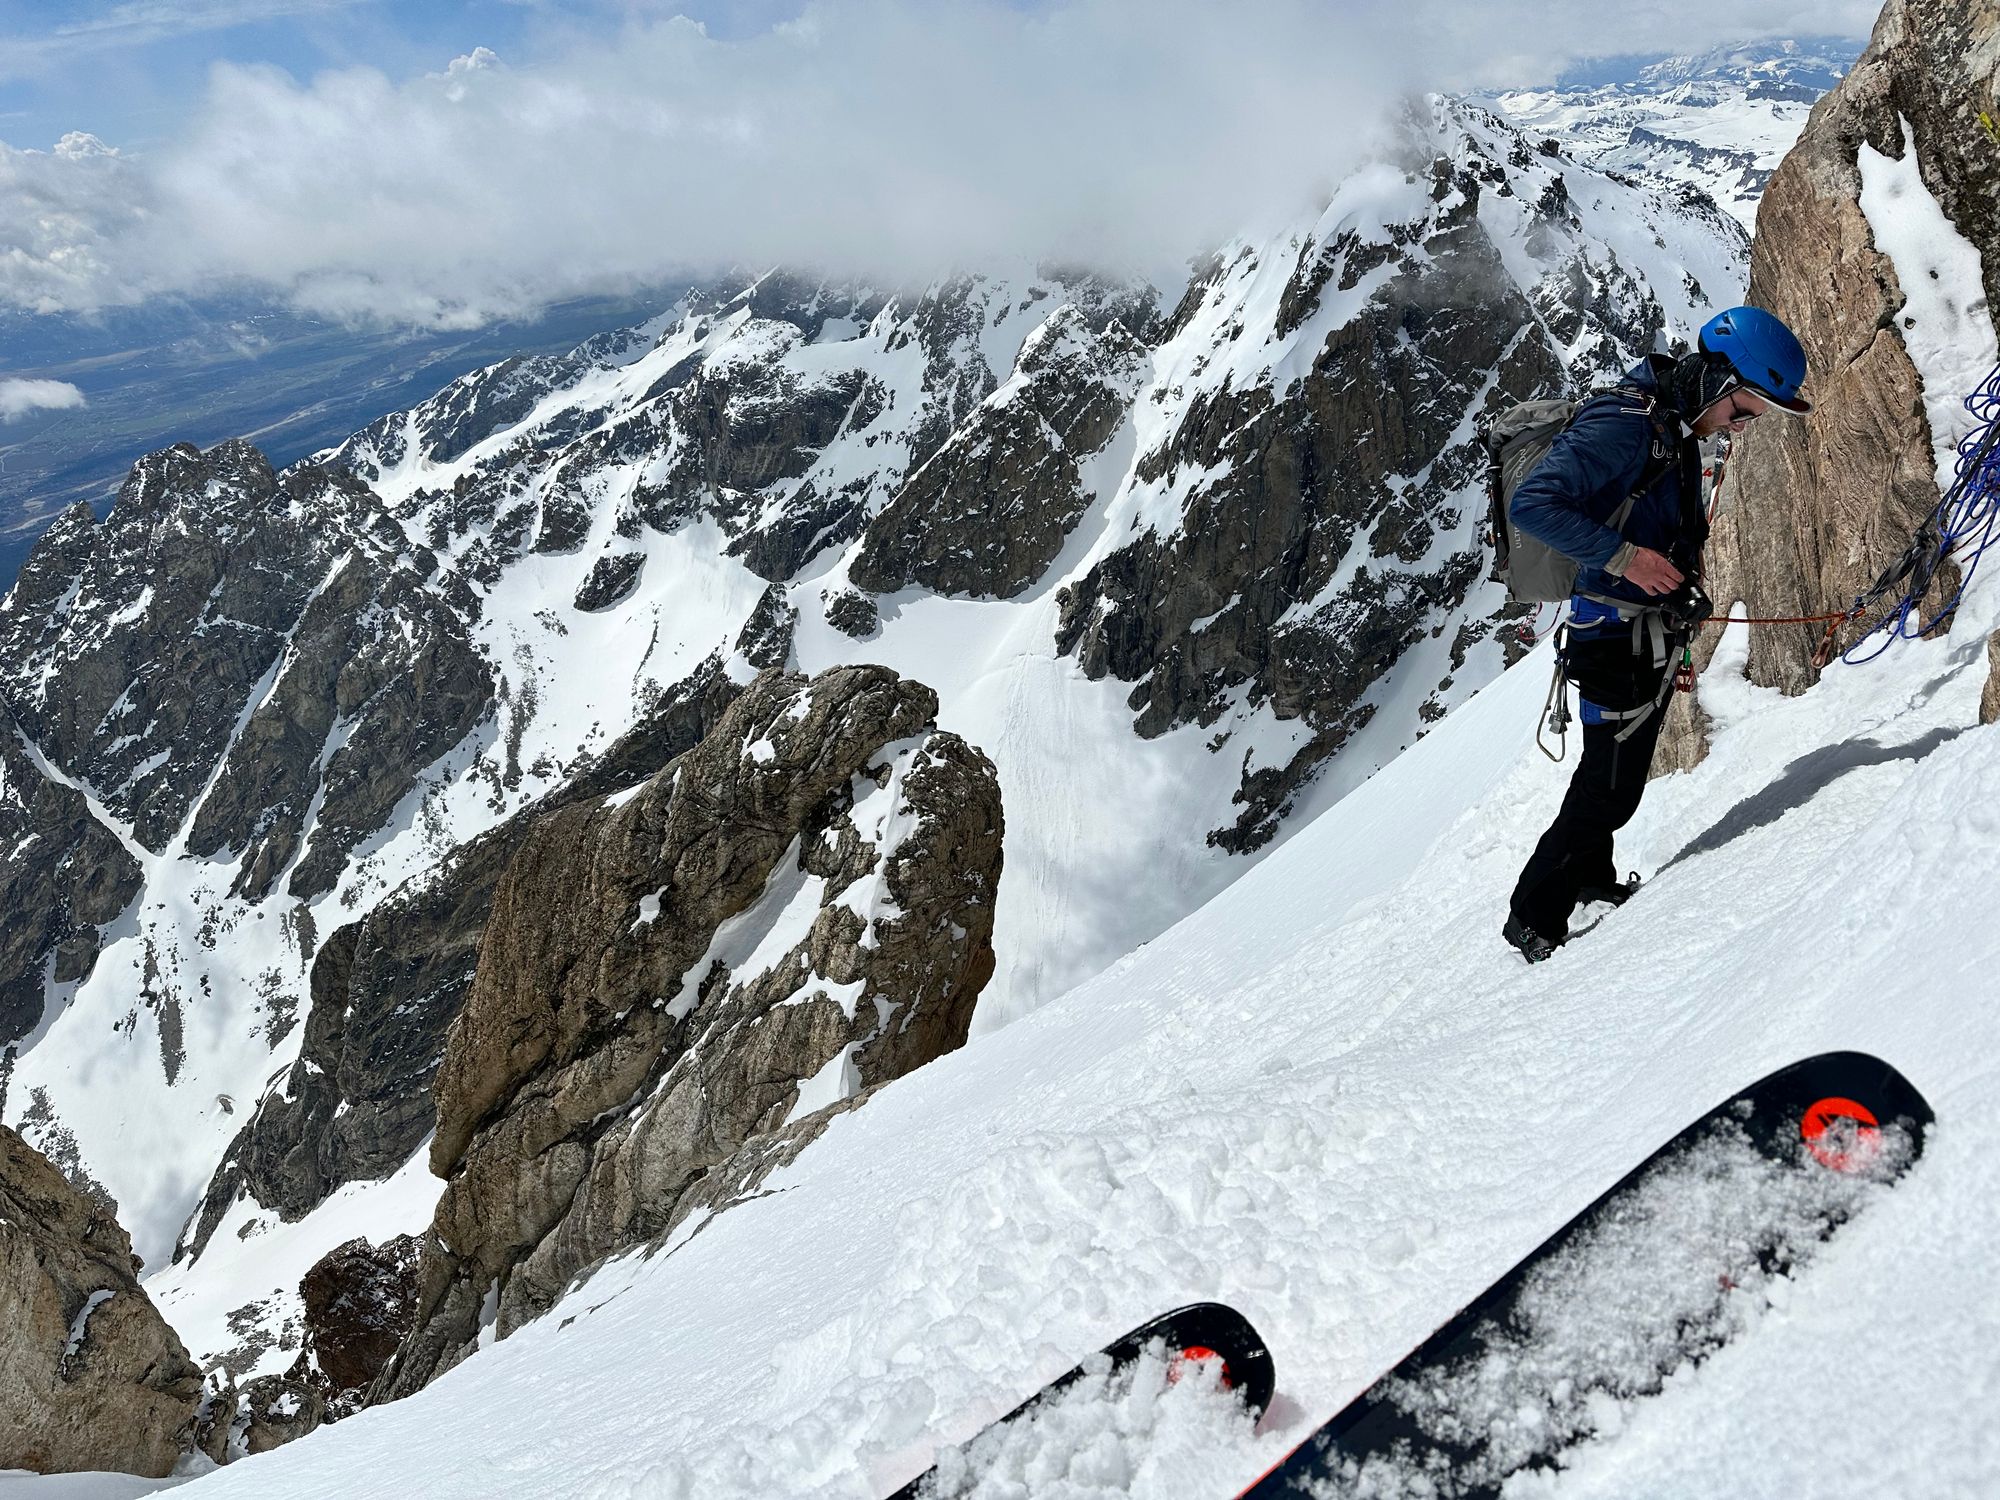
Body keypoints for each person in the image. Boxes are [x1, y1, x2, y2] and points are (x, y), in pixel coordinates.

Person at [1502, 306, 1812, 964]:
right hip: (1612, 627)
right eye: (1745, 411)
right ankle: (1533, 915)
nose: (1744, 427)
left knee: (1612, 772)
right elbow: (1534, 504)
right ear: (1719, 382)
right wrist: (1627, 561)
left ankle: (1587, 877)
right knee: (1611, 786)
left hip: (1639, 624)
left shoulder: (1668, 425)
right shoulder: (1624, 426)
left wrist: (1672, 585)